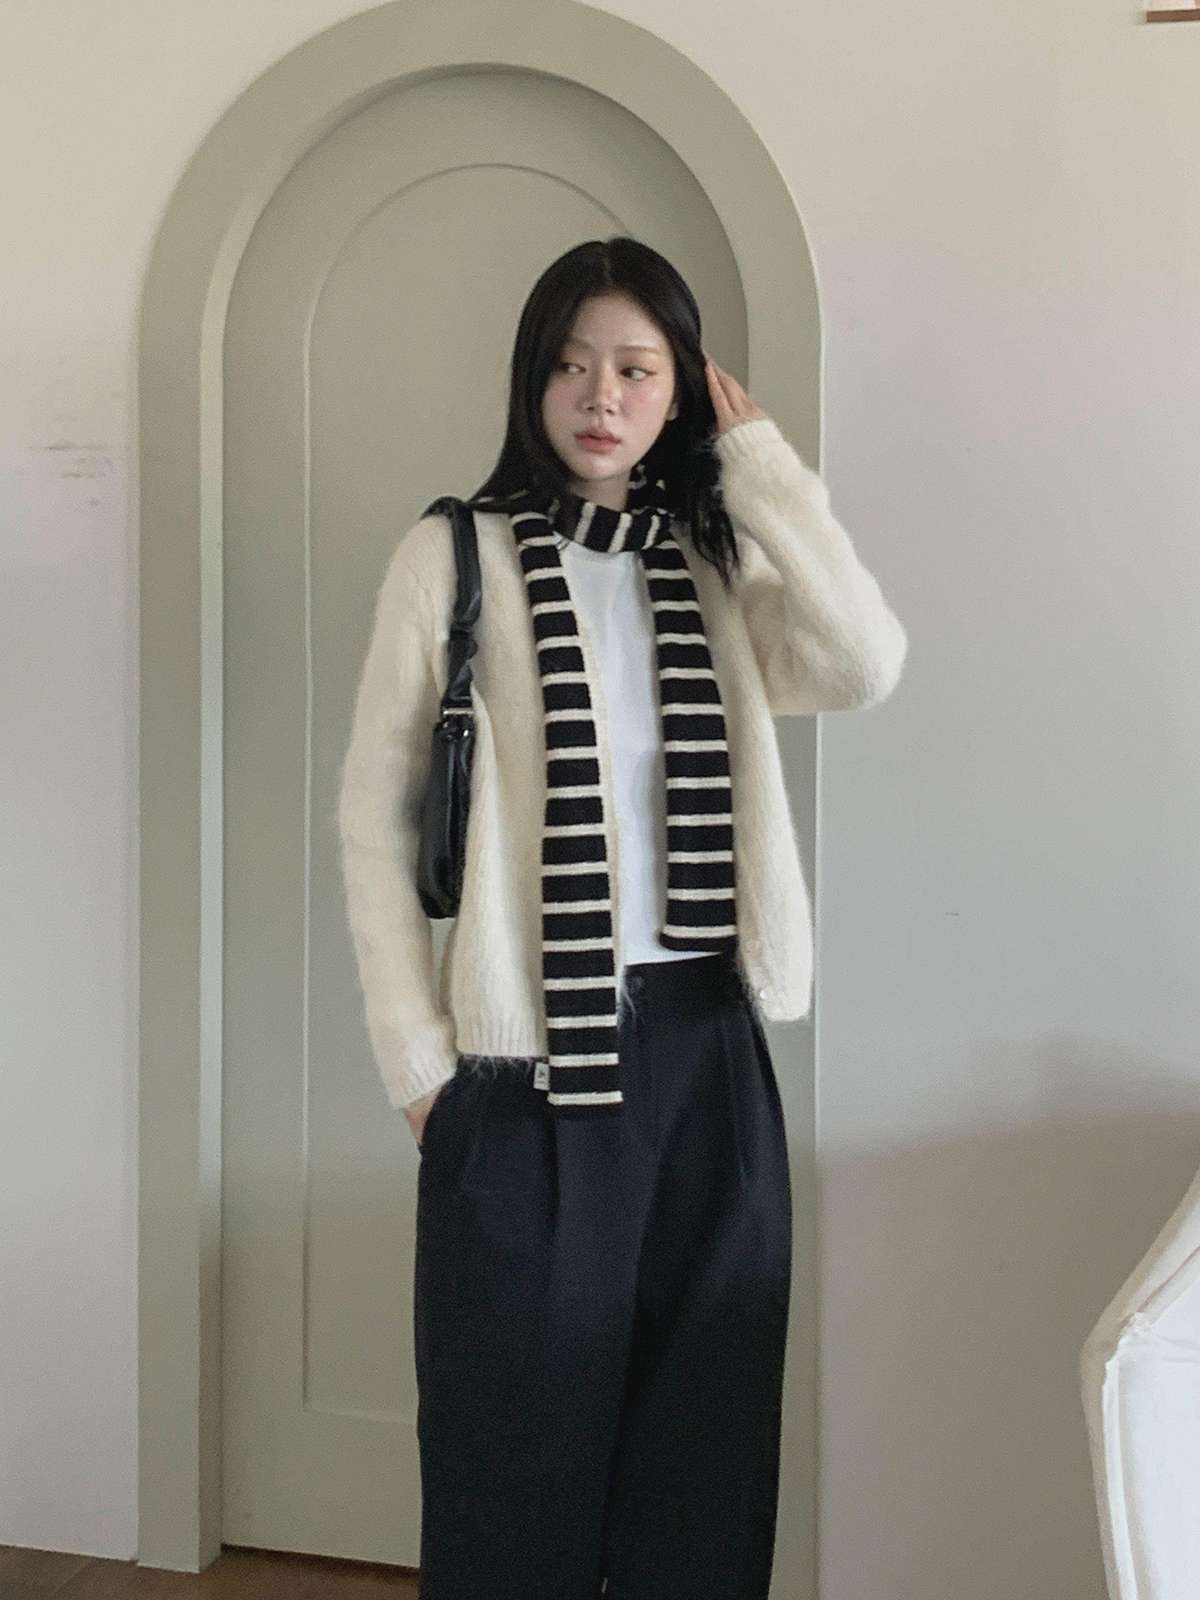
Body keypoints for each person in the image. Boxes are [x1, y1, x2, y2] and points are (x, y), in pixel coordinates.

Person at [336, 235, 908, 1600]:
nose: (601, 395)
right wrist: (418, 1064)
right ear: (531, 380)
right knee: (511, 1455)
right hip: (525, 1063)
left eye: (638, 369)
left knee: (704, 1452)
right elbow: (373, 819)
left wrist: (760, 469)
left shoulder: (710, 561)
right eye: (573, 364)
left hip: (706, 1049)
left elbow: (863, 660)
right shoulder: (452, 556)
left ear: (681, 389)